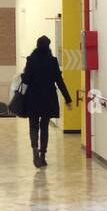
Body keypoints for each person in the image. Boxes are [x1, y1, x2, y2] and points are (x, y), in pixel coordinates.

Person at [20, 35, 72, 169]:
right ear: (48, 46)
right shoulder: (52, 61)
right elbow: (59, 81)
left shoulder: (31, 60)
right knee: (44, 127)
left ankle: (34, 152)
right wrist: (68, 98)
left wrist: (21, 94)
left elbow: (25, 80)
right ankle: (43, 156)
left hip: (32, 98)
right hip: (48, 99)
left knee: (33, 126)